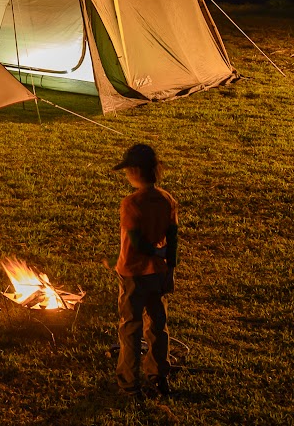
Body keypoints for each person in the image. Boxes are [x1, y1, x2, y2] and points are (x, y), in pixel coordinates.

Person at [113, 142, 179, 399]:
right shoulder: (167, 200)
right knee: (158, 325)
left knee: (131, 327)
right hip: (157, 274)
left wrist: (155, 252)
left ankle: (129, 382)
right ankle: (158, 373)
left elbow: (138, 243)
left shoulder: (131, 203)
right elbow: (172, 238)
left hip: (132, 274)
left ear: (136, 171)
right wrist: (169, 268)